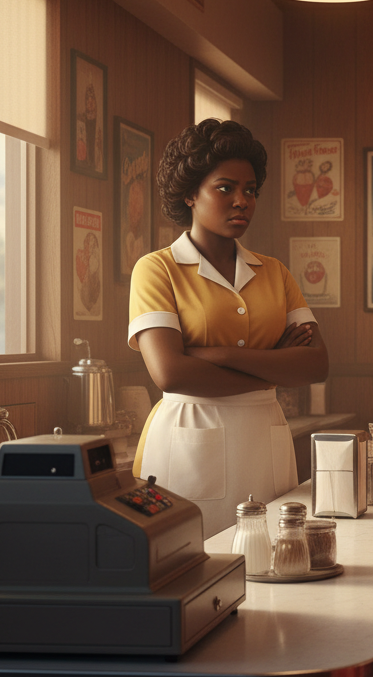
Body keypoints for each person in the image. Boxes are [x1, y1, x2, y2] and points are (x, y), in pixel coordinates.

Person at [128, 119, 328, 536]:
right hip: (189, 440)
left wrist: (216, 355)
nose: (242, 201)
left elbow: (315, 365)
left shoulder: (274, 272)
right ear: (189, 194)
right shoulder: (156, 269)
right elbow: (170, 373)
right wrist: (274, 362)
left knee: (275, 556)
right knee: (192, 564)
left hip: (264, 439)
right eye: (225, 188)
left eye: (250, 190)